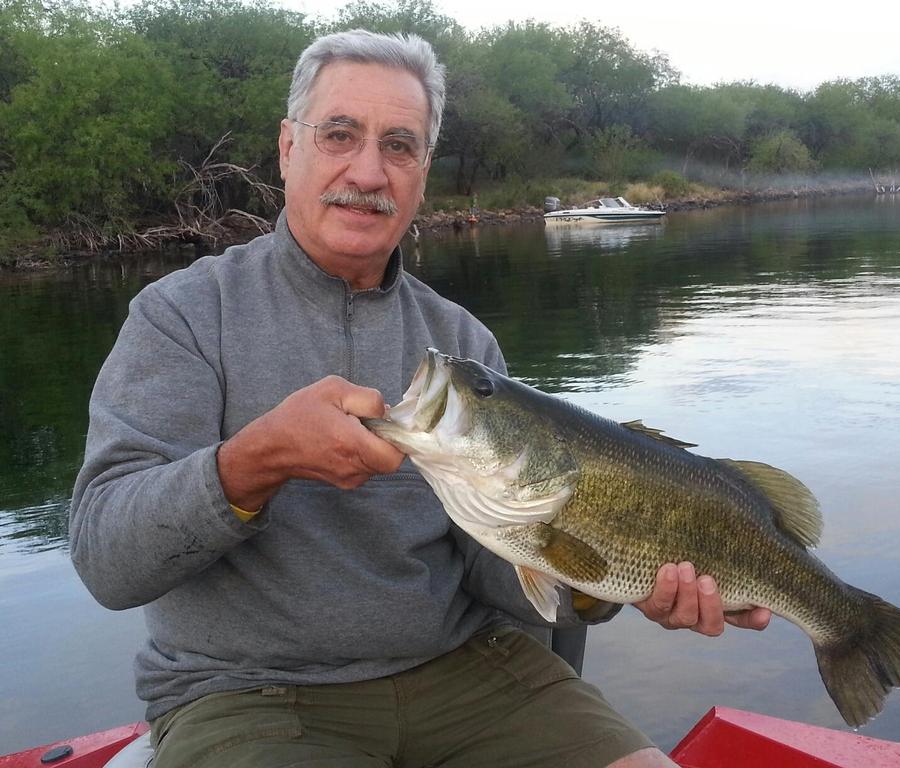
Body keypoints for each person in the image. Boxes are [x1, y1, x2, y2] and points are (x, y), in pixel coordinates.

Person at [69, 30, 770, 768]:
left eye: (399, 146)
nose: (367, 171)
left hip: (476, 675)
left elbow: (499, 569)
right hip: (251, 696)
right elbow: (106, 560)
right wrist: (253, 462)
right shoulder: (180, 315)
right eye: (339, 134)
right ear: (287, 148)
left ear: (423, 172)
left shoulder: (462, 347)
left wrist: (613, 585)